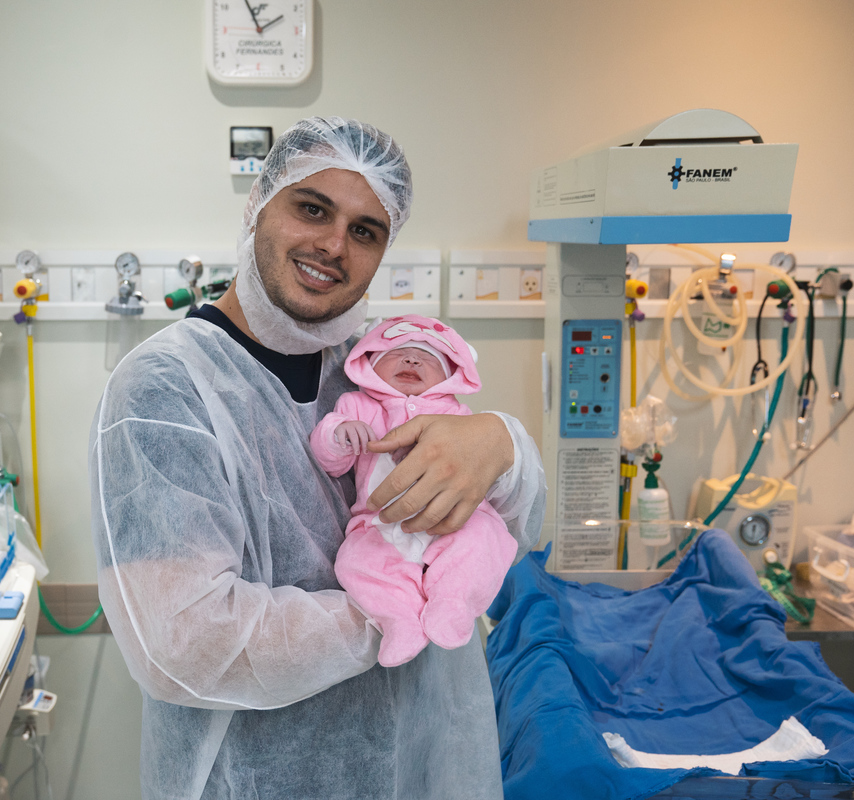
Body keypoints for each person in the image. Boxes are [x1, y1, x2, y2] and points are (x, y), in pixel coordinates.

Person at [90, 116, 545, 800]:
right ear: (258, 203)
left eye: (365, 231)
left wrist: (504, 445)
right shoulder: (164, 391)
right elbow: (184, 643)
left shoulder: (384, 370)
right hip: (255, 778)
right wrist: (402, 606)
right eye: (312, 209)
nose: (334, 245)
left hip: (417, 765)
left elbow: (517, 524)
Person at [310, 315, 518, 668]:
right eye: (397, 353)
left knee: (484, 542)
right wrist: (339, 435)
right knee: (357, 563)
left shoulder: (456, 413)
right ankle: (399, 621)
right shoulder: (357, 407)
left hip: (454, 517)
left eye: (428, 358)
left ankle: (453, 604)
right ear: (370, 366)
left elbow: (475, 462)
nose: (411, 359)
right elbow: (331, 463)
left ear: (449, 376)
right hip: (381, 524)